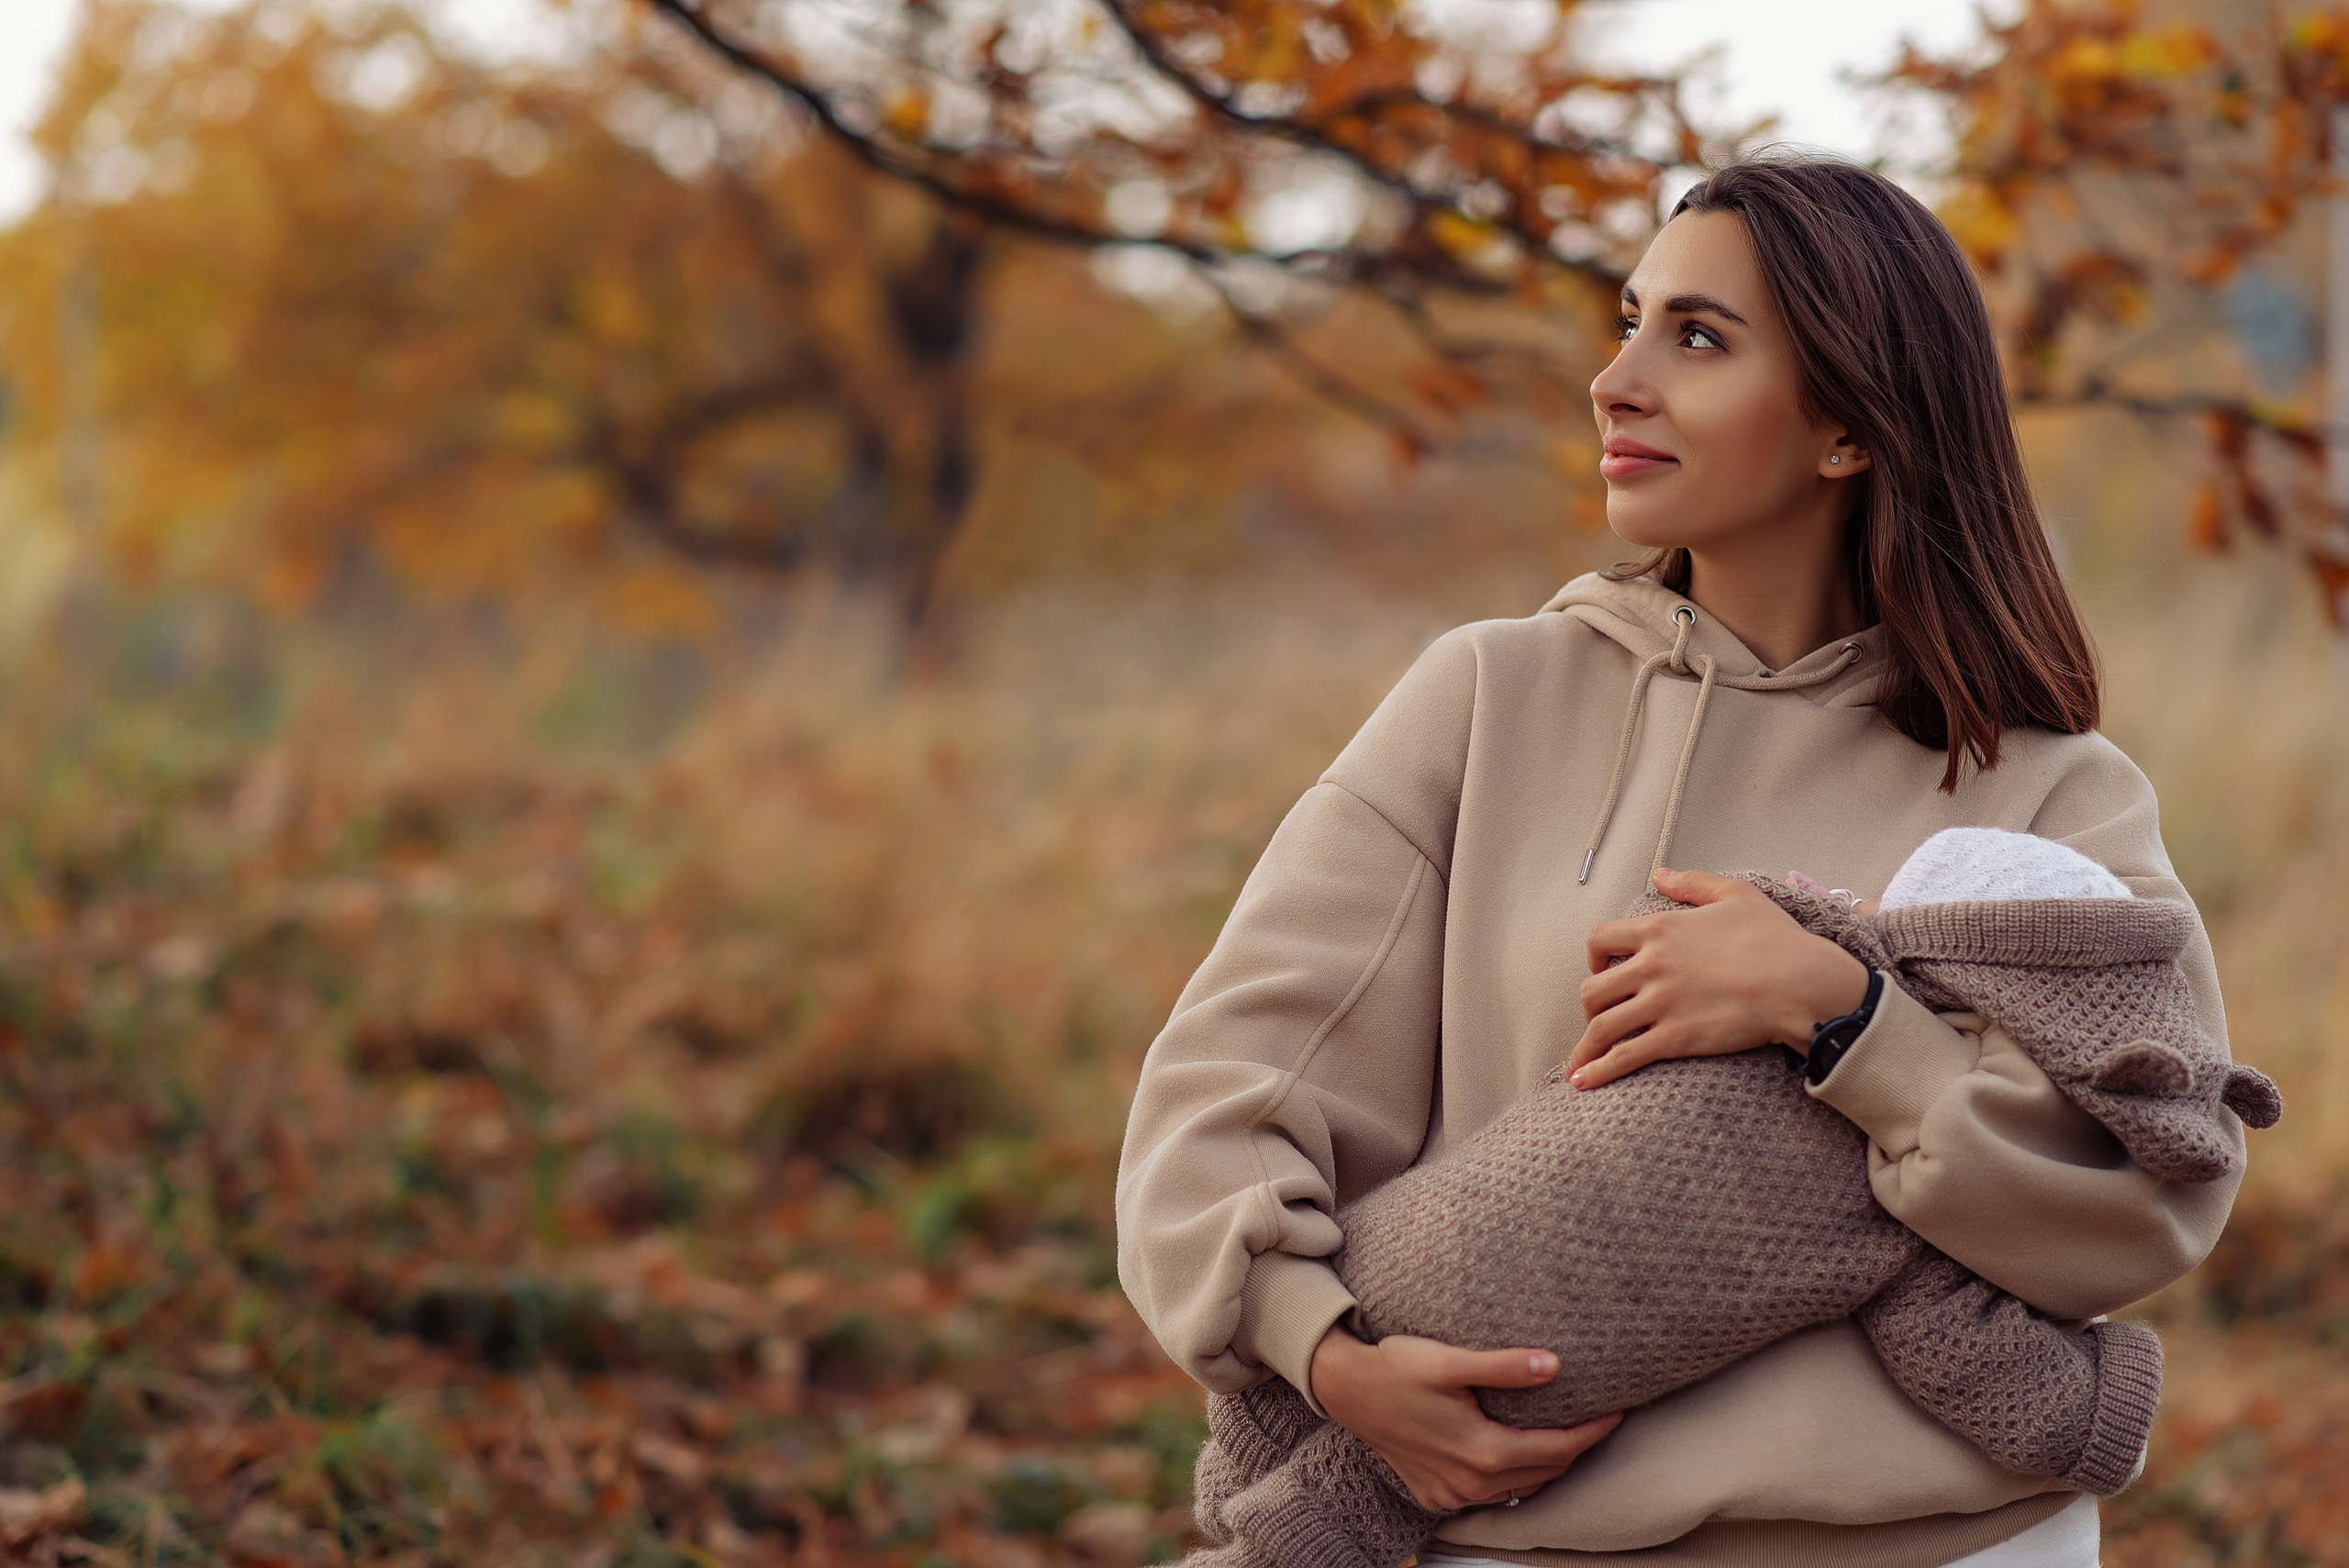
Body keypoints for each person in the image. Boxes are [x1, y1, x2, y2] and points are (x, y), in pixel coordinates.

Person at [1114, 153, 2250, 1566]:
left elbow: (2145, 1204)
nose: (1618, 379)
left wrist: (1845, 1021)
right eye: (1628, 321)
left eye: (1697, 338)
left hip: (1953, 1548)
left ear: (1847, 425)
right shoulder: (1487, 699)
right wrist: (1335, 1357)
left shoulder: (2054, 792)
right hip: (1508, 1541)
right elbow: (1218, 1102)